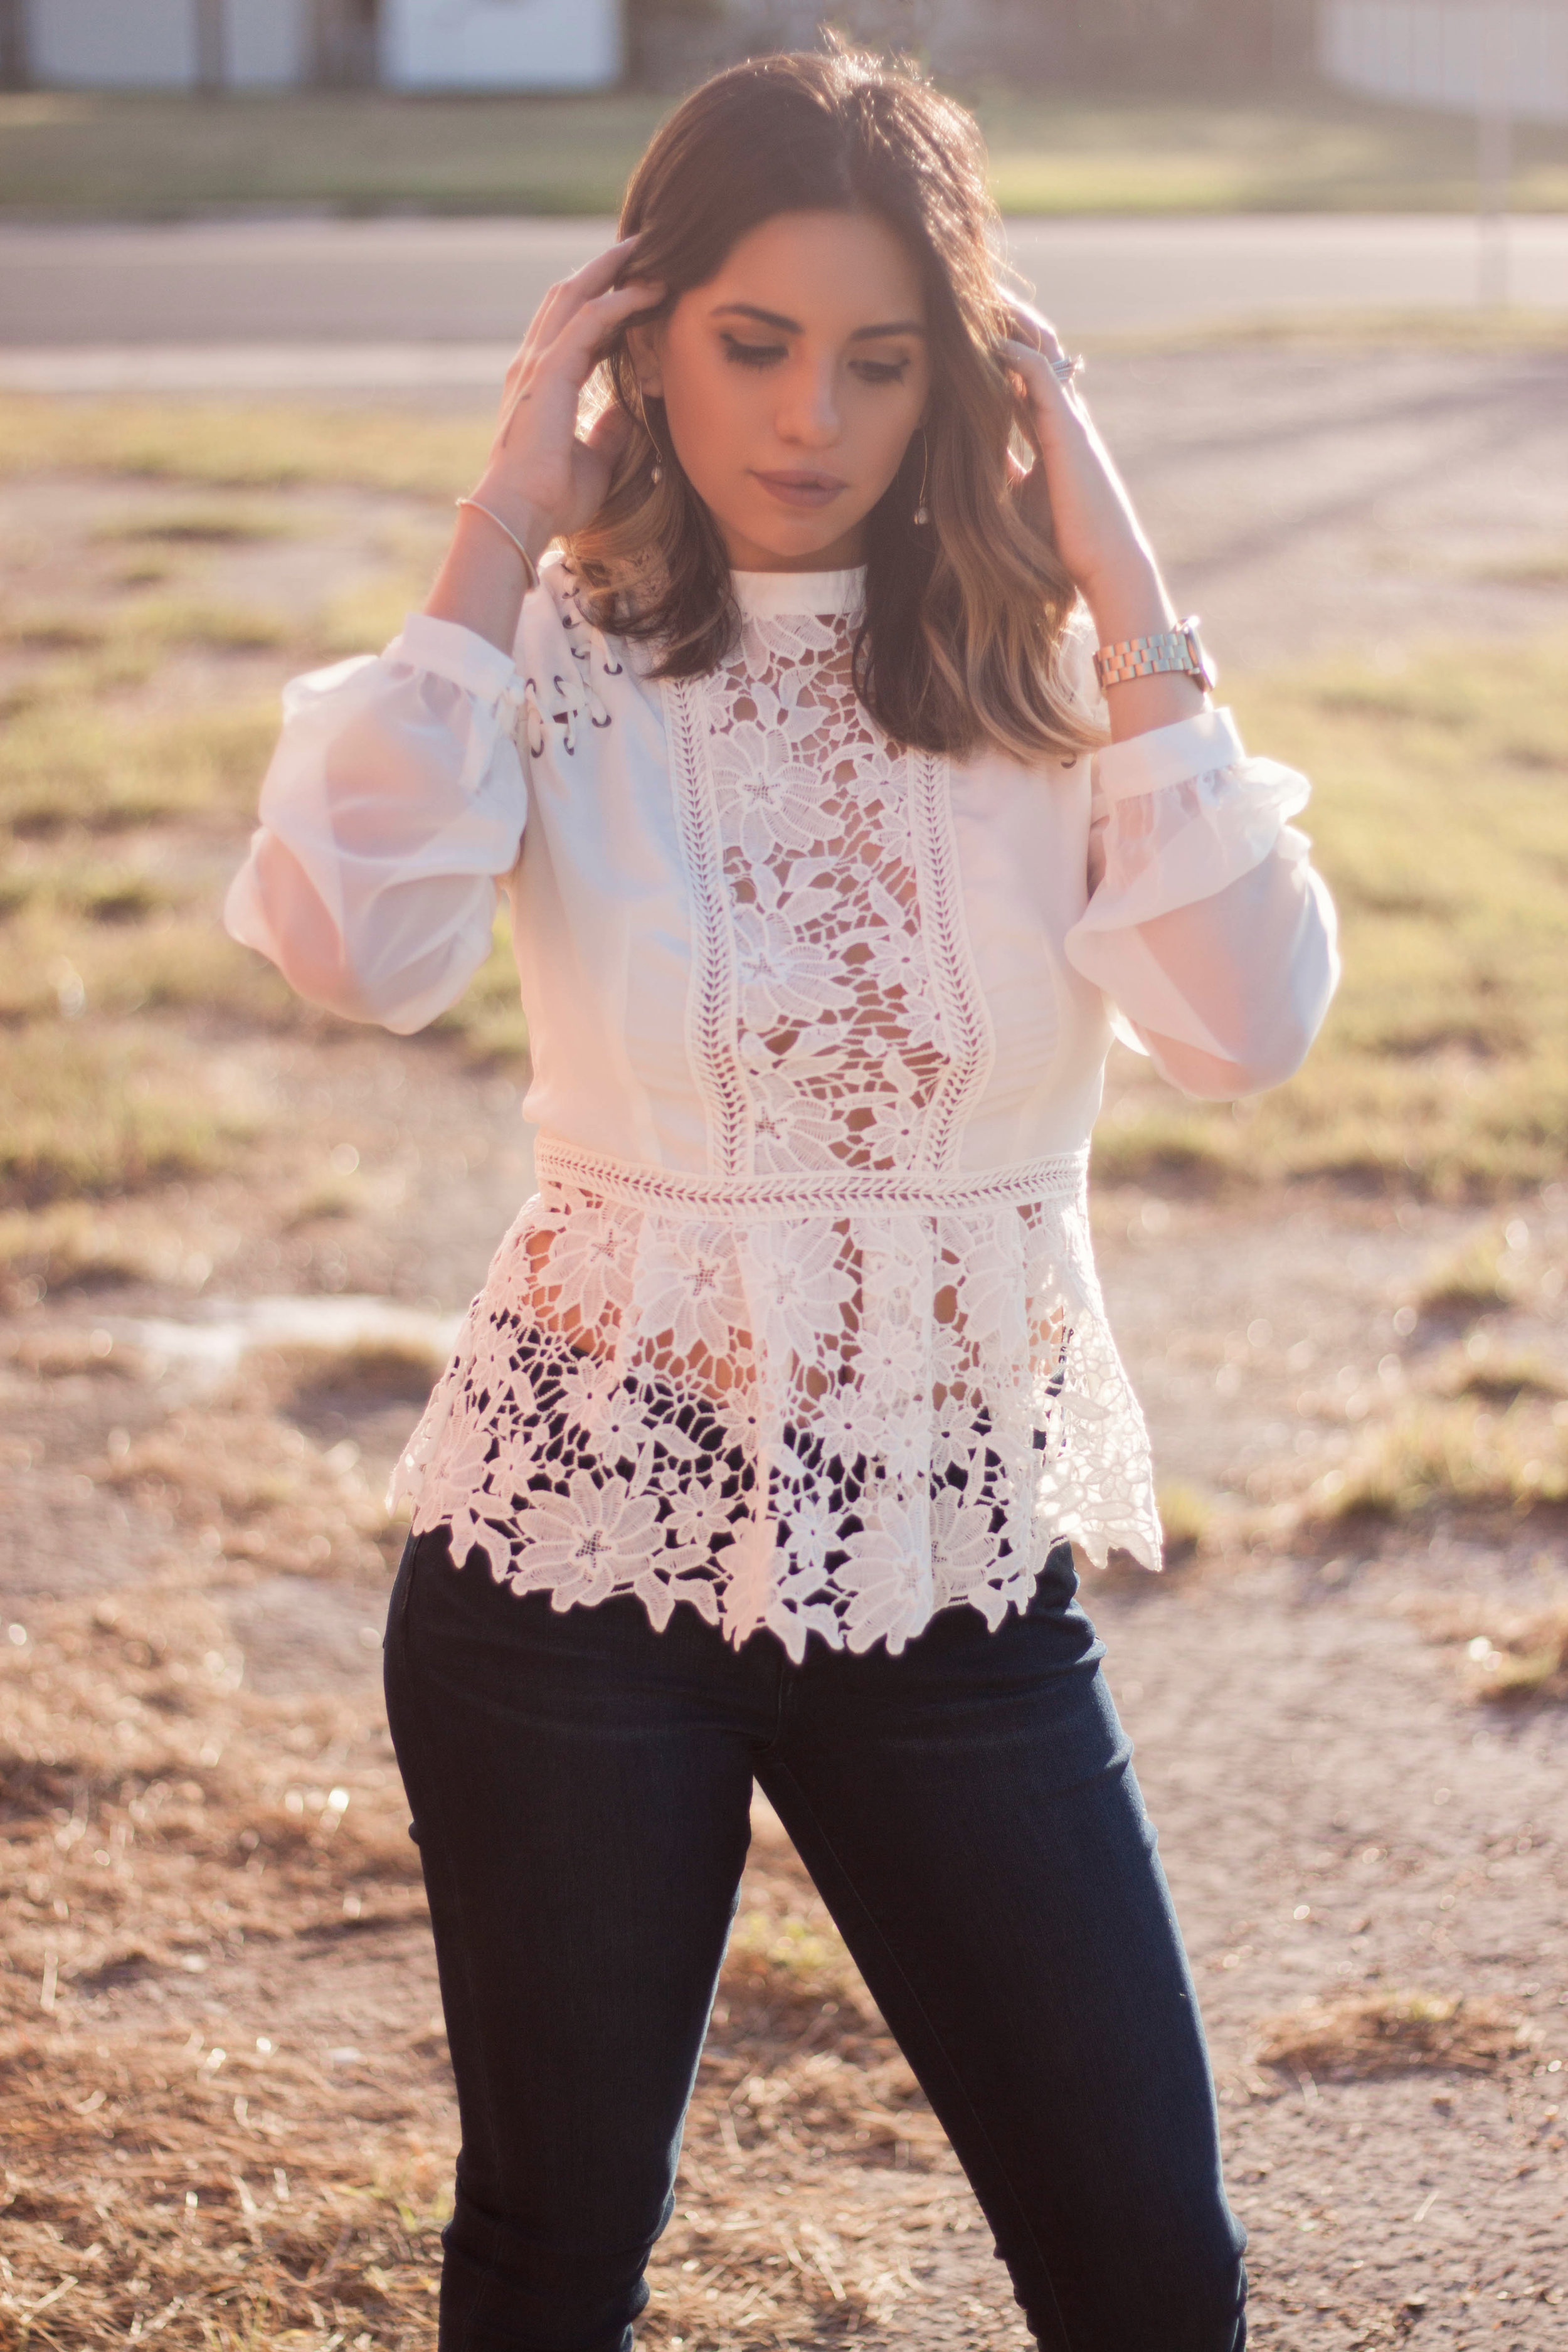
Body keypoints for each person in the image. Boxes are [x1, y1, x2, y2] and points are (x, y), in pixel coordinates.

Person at [224, 42, 1338, 2352]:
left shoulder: (1055, 691)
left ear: (964, 382)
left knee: (1146, 2269)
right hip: (569, 1570)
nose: (810, 413)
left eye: (878, 358)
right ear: (642, 341)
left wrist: (1116, 558)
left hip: (944, 1571)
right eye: (751, 342)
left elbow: (1247, 1025)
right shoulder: (554, 662)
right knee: (551, 2261)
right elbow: (360, 953)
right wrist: (495, 525)